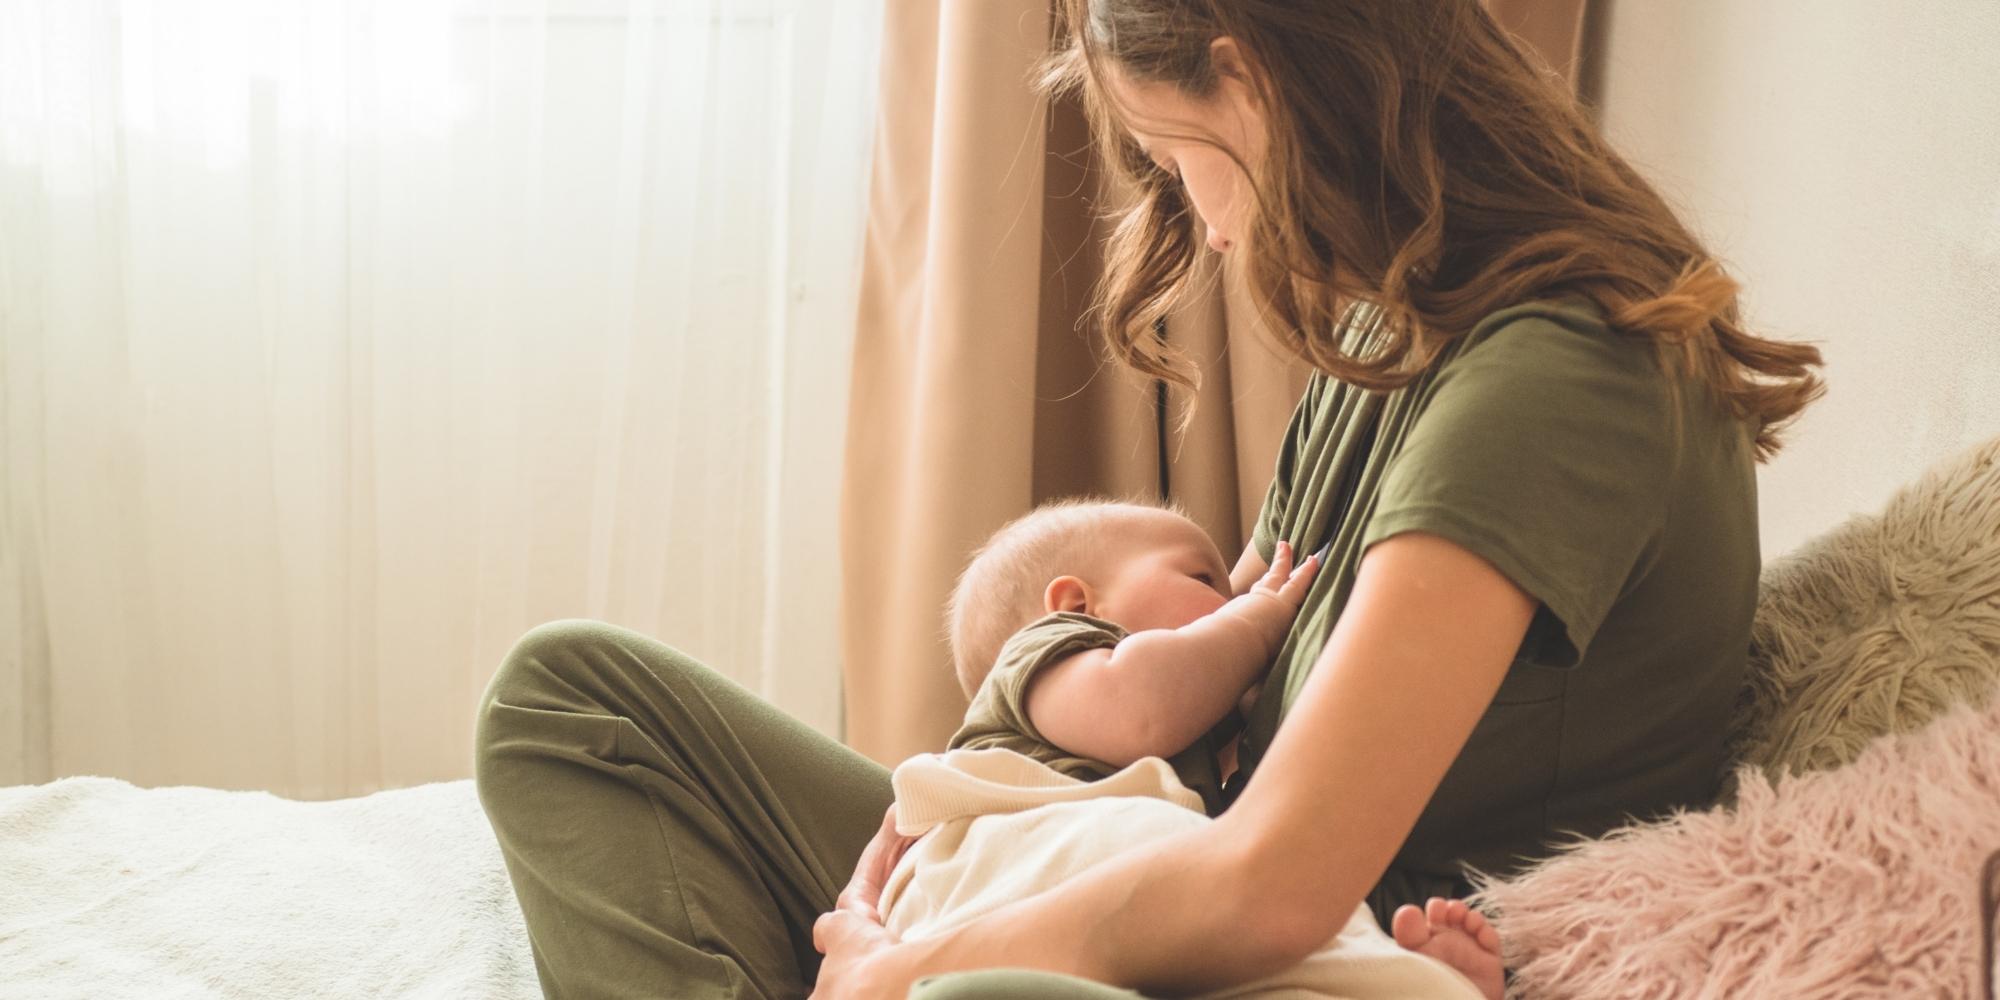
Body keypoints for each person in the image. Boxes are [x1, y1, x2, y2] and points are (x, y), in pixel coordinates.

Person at [473, 1, 1824, 997]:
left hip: (1316, 955)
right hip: (1172, 857)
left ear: (1251, 85)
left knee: (991, 991)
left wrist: (917, 959)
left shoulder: (1558, 377)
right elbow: (1218, 721)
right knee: (571, 700)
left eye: (1179, 160)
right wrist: (974, 819)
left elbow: (1277, 883)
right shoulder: (1397, 341)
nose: (1214, 229)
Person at [874, 496, 1499, 999]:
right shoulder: (1044, 658)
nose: (1231, 601)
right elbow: (1140, 708)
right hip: (1004, 875)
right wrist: (1255, 624)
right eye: (1205, 579)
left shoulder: (1186, 753)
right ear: (1075, 604)